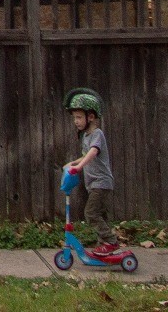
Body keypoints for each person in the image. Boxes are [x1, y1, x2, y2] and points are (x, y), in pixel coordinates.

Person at [64, 87, 119, 256]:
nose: (76, 121)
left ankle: (110, 241)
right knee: (100, 214)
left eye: (79, 117)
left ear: (91, 117)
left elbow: (93, 152)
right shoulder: (86, 136)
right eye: (75, 117)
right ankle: (104, 245)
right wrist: (72, 163)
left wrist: (79, 167)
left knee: (90, 212)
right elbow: (85, 155)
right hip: (94, 184)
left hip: (101, 182)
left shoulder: (97, 134)